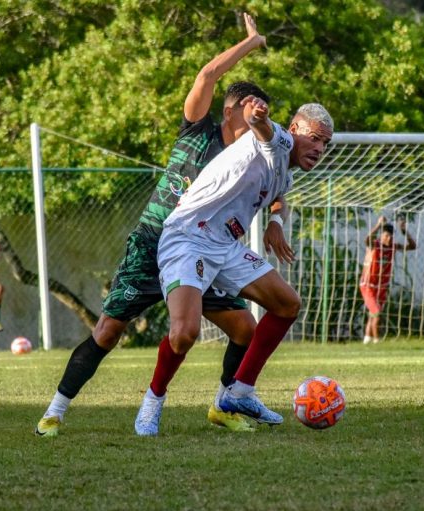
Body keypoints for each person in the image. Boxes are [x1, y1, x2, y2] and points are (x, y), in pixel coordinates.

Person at [35, 13, 290, 437]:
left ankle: (225, 404)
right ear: (231, 110)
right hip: (155, 242)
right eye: (251, 109)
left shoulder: (253, 156)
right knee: (108, 331)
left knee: (245, 327)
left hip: (206, 252)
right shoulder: (196, 128)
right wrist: (253, 42)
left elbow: (276, 189)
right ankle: (55, 410)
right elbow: (208, 72)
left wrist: (277, 219)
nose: (260, 117)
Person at [133, 98, 334, 436]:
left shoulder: (287, 174)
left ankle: (239, 393)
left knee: (287, 304)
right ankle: (153, 399)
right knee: (184, 334)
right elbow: (266, 133)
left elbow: (281, 197)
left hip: (223, 246)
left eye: (325, 143)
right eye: (314, 137)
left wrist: (276, 222)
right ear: (295, 129)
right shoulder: (280, 140)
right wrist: (257, 117)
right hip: (187, 236)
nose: (320, 148)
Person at [359, 215, 416, 344]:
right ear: (381, 236)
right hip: (368, 285)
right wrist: (378, 225)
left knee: (373, 314)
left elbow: (412, 246)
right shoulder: (374, 245)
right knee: (377, 313)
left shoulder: (393, 247)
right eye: (386, 236)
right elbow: (366, 240)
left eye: (390, 236)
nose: (388, 238)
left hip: (382, 286)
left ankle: (367, 340)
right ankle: (377, 341)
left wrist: (404, 231)